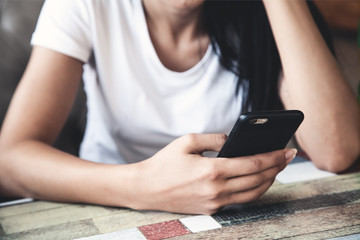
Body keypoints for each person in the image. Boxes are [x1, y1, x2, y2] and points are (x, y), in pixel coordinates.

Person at [0, 0, 359, 215]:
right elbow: (11, 160)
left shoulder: (257, 13)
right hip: (108, 207)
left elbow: (336, 149)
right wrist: (141, 186)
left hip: (237, 216)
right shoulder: (86, 6)